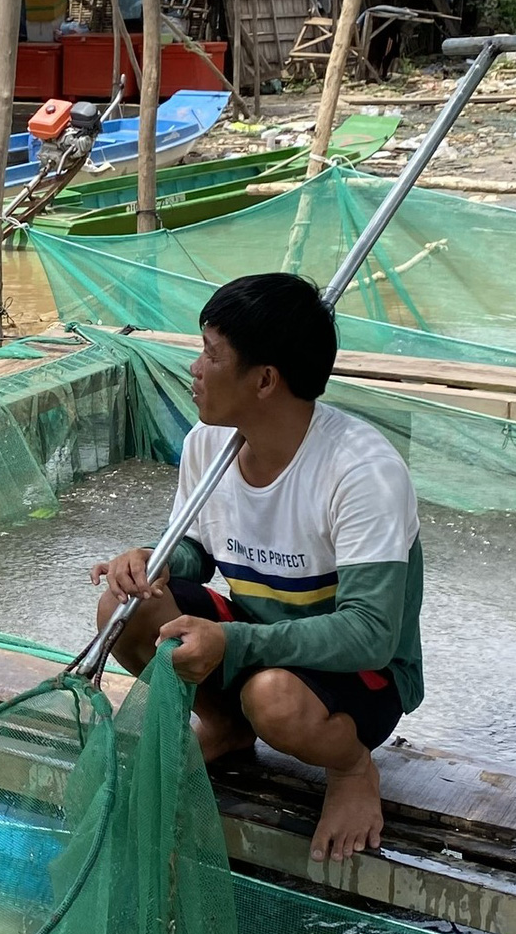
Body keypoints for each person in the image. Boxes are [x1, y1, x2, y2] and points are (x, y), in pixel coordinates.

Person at [92, 273, 425, 864]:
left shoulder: (361, 470)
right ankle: (225, 725)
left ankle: (351, 771)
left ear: (266, 379)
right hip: (254, 637)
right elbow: (199, 546)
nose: (194, 368)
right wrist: (153, 559)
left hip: (356, 675)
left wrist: (233, 642)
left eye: (211, 354)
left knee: (274, 697)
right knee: (125, 609)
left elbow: (371, 634)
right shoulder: (209, 443)